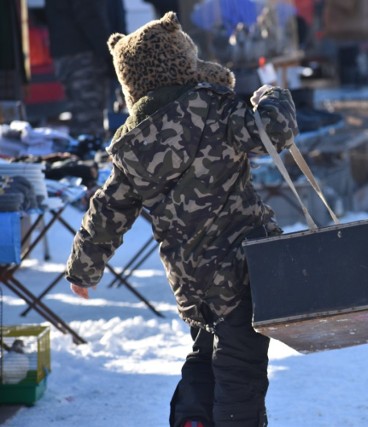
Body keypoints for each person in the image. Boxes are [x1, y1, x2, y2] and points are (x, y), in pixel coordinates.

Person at [64, 12, 298, 427]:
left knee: (207, 353)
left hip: (191, 283)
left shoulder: (132, 146)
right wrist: (272, 94)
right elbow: (275, 129)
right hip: (242, 271)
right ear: (180, 62)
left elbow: (108, 209)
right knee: (240, 368)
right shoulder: (214, 110)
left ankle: (192, 420)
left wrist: (84, 268)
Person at [44, 0, 112, 139]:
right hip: (82, 54)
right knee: (89, 121)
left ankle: (83, 149)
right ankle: (88, 151)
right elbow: (88, 16)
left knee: (81, 117)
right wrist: (108, 53)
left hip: (68, 51)